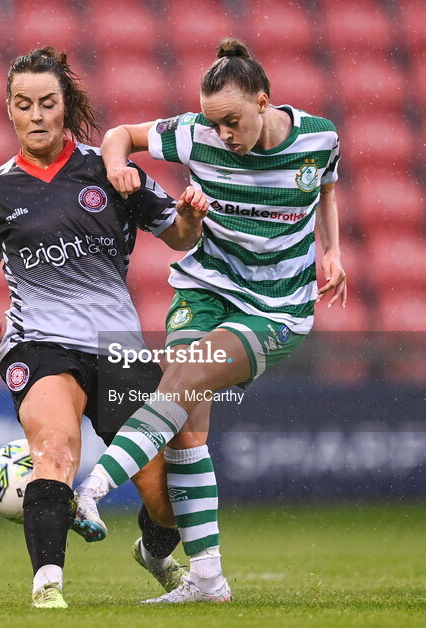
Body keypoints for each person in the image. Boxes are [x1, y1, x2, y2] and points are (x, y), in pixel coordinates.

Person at [72, 38, 348, 603]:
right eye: (214, 122)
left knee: (185, 377)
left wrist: (333, 251)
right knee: (186, 432)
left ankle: (92, 488)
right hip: (205, 290)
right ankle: (207, 581)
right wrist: (120, 167)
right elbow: (117, 135)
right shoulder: (196, 132)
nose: (223, 133)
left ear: (264, 102)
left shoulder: (319, 136)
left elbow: (325, 186)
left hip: (276, 308)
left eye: (233, 121)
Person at [0, 48, 210, 609]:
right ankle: (47, 587)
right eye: (23, 105)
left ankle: (153, 550)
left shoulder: (108, 169)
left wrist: (191, 217)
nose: (37, 115)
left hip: (115, 345)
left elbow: (178, 235)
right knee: (55, 447)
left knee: (163, 492)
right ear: (9, 110)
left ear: (65, 105)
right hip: (38, 342)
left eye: (48, 103)